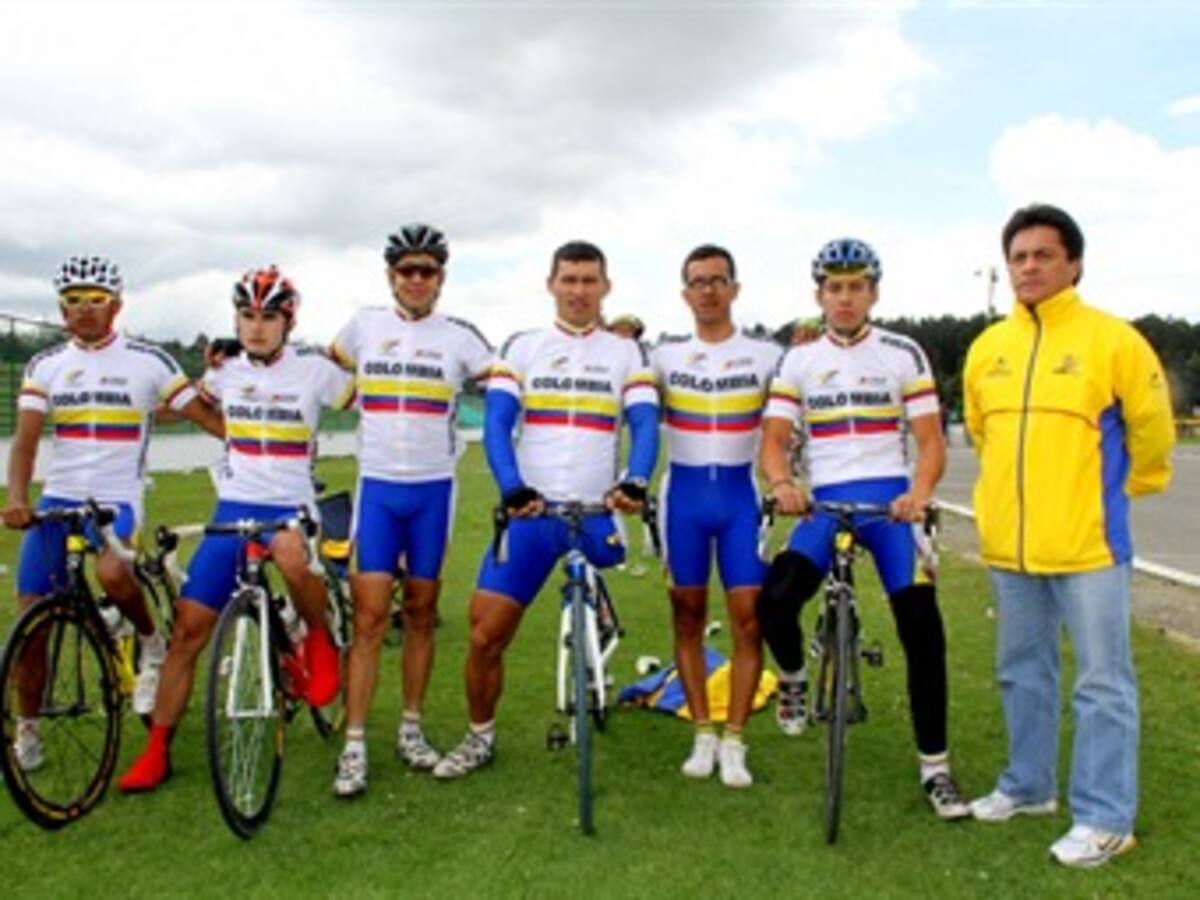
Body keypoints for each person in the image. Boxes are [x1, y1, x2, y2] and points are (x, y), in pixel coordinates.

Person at [963, 204, 1175, 867]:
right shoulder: (987, 348)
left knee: (1102, 683)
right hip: (1011, 547)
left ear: (1073, 263)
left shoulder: (1114, 340)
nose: (1028, 267)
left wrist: (1118, 495)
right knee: (1021, 671)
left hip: (1089, 547)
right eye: (1019, 257)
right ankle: (1029, 787)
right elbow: (980, 431)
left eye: (1043, 255)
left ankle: (1107, 816)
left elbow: (1152, 431)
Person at [118, 266, 354, 792]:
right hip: (233, 508)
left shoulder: (316, 372)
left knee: (293, 557)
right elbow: (191, 404)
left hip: (290, 504)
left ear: (289, 321)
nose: (256, 327)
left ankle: (319, 637)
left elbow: (373, 401)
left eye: (269, 317)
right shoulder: (223, 372)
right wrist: (134, 403)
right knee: (188, 632)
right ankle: (157, 750)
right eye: (247, 316)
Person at [758, 237, 970, 819]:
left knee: (923, 631)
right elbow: (774, 443)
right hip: (824, 507)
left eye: (856, 288)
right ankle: (796, 680)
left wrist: (919, 495)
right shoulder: (797, 360)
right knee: (776, 602)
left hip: (890, 508)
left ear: (873, 292)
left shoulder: (903, 352)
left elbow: (929, 442)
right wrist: (782, 485)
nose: (845, 298)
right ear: (819, 294)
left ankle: (936, 769)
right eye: (834, 288)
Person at [431, 240, 659, 780]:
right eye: (569, 279)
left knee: (607, 562)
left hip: (598, 512)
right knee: (485, 635)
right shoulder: (525, 346)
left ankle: (599, 619)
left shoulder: (627, 353)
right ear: (551, 284)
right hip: (533, 513)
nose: (579, 291)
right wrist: (512, 487)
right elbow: (496, 423)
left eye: (589, 280)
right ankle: (479, 736)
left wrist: (636, 480)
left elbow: (644, 424)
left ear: (606, 286)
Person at [3, 256, 222, 771]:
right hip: (59, 499)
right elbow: (26, 442)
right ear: (61, 308)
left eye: (96, 300)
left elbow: (204, 416)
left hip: (117, 498)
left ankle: (150, 641)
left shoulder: (151, 361)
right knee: (31, 621)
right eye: (74, 300)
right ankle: (28, 730)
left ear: (117, 306)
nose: (84, 310)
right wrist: (18, 498)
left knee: (113, 569)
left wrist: (263, 446)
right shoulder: (45, 365)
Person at [330, 224, 493, 797]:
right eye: (407, 271)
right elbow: (324, 377)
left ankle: (411, 728)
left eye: (427, 271)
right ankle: (353, 745)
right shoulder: (363, 326)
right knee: (370, 617)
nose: (417, 280)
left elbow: (506, 388)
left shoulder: (462, 337)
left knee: (421, 613)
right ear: (391, 277)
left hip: (433, 491)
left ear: (441, 278)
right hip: (378, 486)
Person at [649, 244, 781, 788]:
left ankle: (735, 740)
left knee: (750, 617)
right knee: (687, 615)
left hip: (738, 499)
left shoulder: (767, 356)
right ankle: (702, 730)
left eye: (718, 280)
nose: (708, 290)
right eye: (698, 281)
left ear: (735, 288)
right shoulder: (663, 358)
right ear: (685, 293)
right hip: (681, 498)